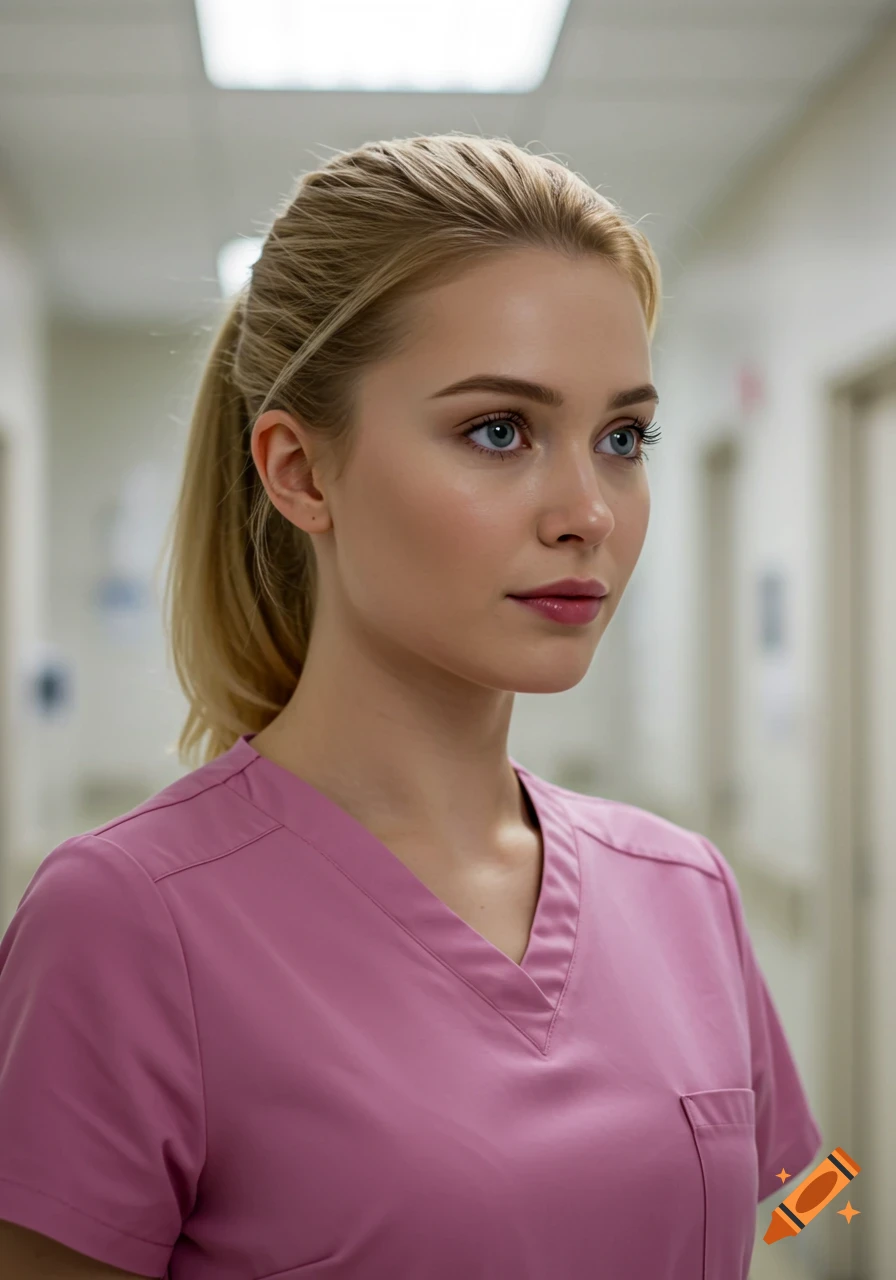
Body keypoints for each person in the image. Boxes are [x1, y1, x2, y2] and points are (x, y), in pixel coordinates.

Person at [0, 133, 822, 1279]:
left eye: (622, 436)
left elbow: (803, 1197)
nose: (587, 508)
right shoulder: (128, 923)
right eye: (499, 430)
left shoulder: (681, 884)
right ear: (300, 472)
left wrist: (815, 1236)